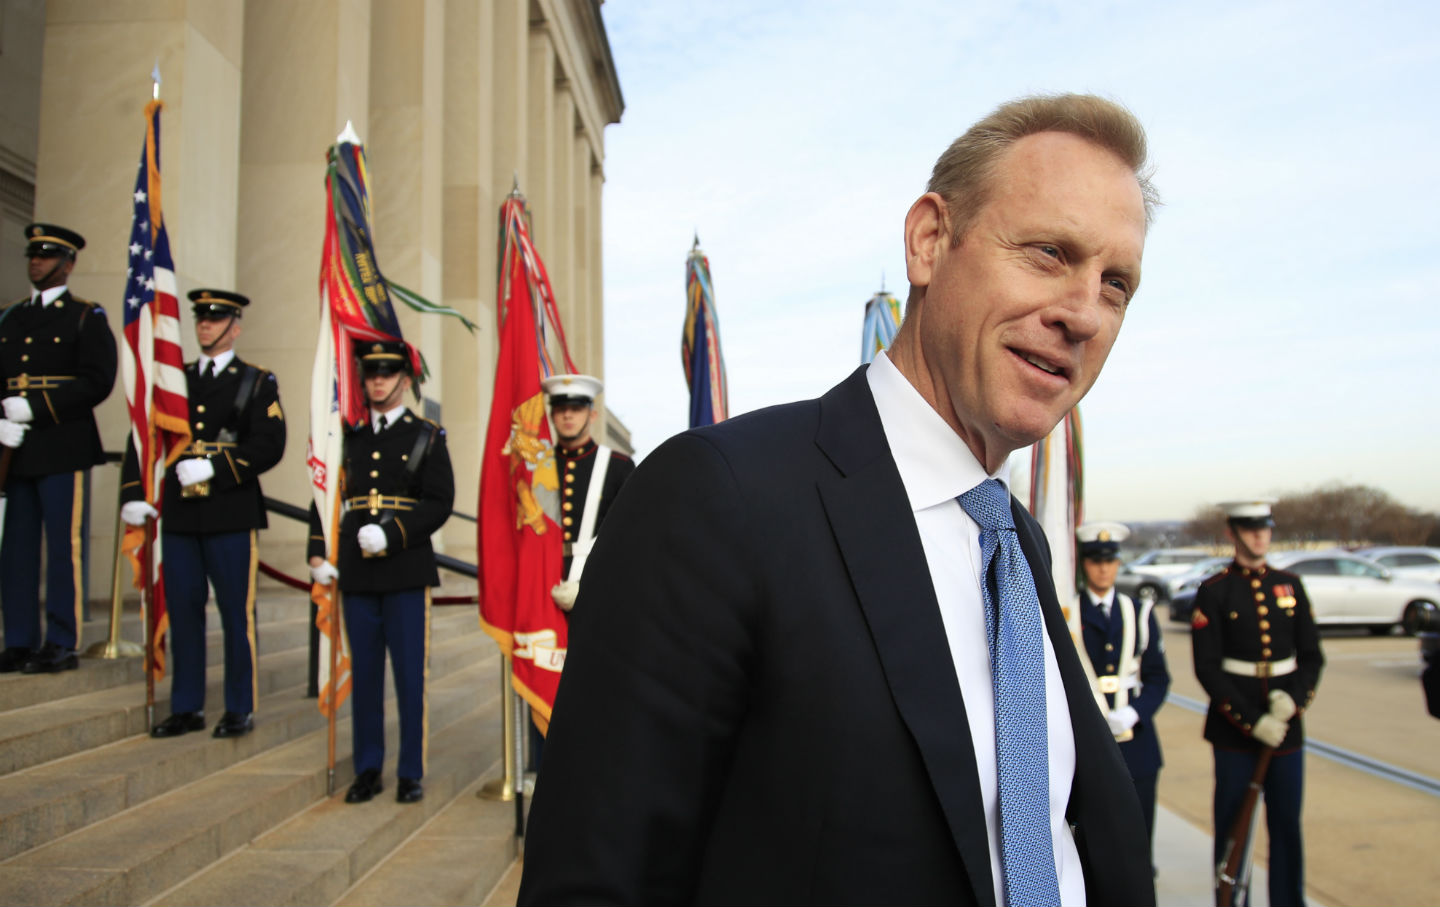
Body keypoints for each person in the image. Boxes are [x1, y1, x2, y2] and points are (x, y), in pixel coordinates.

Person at [520, 93, 1158, 905]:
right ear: (931, 240)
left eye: (1116, 286)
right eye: (1047, 252)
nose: (1083, 314)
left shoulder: (1015, 540)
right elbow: (598, 881)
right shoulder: (719, 498)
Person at [121, 289, 285, 738]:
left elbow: (270, 445)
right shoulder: (176, 380)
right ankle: (187, 705)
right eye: (201, 320)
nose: (205, 326)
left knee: (235, 613)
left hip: (229, 511)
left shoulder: (256, 381)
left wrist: (217, 466)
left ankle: (238, 706)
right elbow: (146, 435)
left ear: (235, 327)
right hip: (179, 514)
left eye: (215, 320)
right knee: (184, 611)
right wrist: (132, 492)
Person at [307, 341, 453, 805]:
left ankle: (410, 770)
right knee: (366, 677)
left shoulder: (426, 435)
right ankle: (367, 767)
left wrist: (395, 534)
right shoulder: (345, 435)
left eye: (388, 373)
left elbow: (439, 501)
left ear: (405, 380)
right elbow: (324, 490)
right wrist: (318, 552)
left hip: (405, 569)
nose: (378, 381)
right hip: (356, 572)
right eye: (371, 373)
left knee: (410, 678)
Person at [1192, 499, 1323, 907]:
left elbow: (1312, 655)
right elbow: (1208, 668)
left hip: (1285, 727)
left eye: (1265, 527)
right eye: (1250, 528)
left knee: (1286, 827)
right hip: (1235, 731)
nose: (1260, 535)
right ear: (1232, 533)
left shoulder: (1290, 585)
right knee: (1234, 825)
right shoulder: (1214, 591)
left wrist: (1295, 701)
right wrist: (1252, 721)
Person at [0, 223, 117, 674]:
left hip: (61, 445)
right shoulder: (10, 318)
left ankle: (61, 639)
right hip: (17, 447)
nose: (36, 261)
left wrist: (34, 408)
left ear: (68, 265)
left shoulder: (86, 317)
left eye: (46, 256)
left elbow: (97, 380)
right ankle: (19, 639)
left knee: (63, 547)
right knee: (17, 547)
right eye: (33, 254)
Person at [1071, 521, 1170, 863]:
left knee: (1140, 847)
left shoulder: (1140, 612)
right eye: (1095, 560)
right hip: (1089, 747)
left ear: (1118, 563)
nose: (1102, 568)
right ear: (1084, 563)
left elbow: (1158, 678)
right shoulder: (1067, 614)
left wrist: (1135, 711)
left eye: (1109, 560)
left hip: (1137, 744)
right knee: (1096, 852)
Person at [540, 373, 635, 613]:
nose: (568, 415)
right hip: (542, 583)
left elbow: (627, 536)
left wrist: (590, 584)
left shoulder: (617, 466)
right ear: (551, 415)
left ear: (592, 415)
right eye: (561, 408)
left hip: (596, 584)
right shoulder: (539, 469)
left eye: (576, 408)